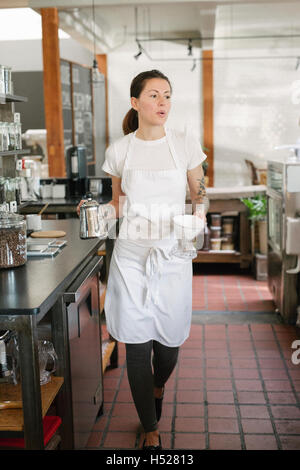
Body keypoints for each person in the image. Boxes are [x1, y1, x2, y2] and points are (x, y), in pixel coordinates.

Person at [77, 69, 208, 450]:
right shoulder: (119, 150)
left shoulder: (184, 144)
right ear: (135, 103)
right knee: (137, 341)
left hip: (171, 254)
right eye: (153, 95)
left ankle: (157, 383)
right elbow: (118, 204)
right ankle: (150, 428)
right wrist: (95, 216)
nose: (162, 102)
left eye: (167, 95)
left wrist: (198, 216)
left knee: (167, 348)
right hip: (132, 255)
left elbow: (199, 194)